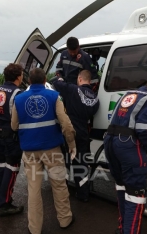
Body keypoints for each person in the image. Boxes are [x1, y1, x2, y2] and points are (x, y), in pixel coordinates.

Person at [103, 74, 147, 234]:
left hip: (110, 143)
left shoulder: (129, 94)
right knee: (135, 195)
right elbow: (143, 128)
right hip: (128, 146)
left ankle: (122, 228)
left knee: (121, 187)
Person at [11, 68, 76, 234]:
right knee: (59, 185)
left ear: (30, 81)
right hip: (52, 148)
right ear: (45, 79)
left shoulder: (18, 99)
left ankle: (34, 228)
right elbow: (66, 124)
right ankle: (65, 219)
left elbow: (14, 126)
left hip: (30, 151)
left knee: (33, 189)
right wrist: (71, 143)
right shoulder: (54, 96)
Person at [53, 70, 99, 202]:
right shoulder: (95, 99)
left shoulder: (72, 89)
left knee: (66, 162)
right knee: (81, 164)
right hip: (84, 133)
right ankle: (83, 194)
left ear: (79, 79)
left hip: (70, 132)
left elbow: (57, 83)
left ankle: (64, 193)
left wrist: (60, 78)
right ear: (89, 81)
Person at [0, 63, 24, 216]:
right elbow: (19, 116)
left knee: (0, 166)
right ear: (18, 76)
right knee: (12, 167)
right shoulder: (18, 93)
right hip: (11, 134)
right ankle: (5, 204)